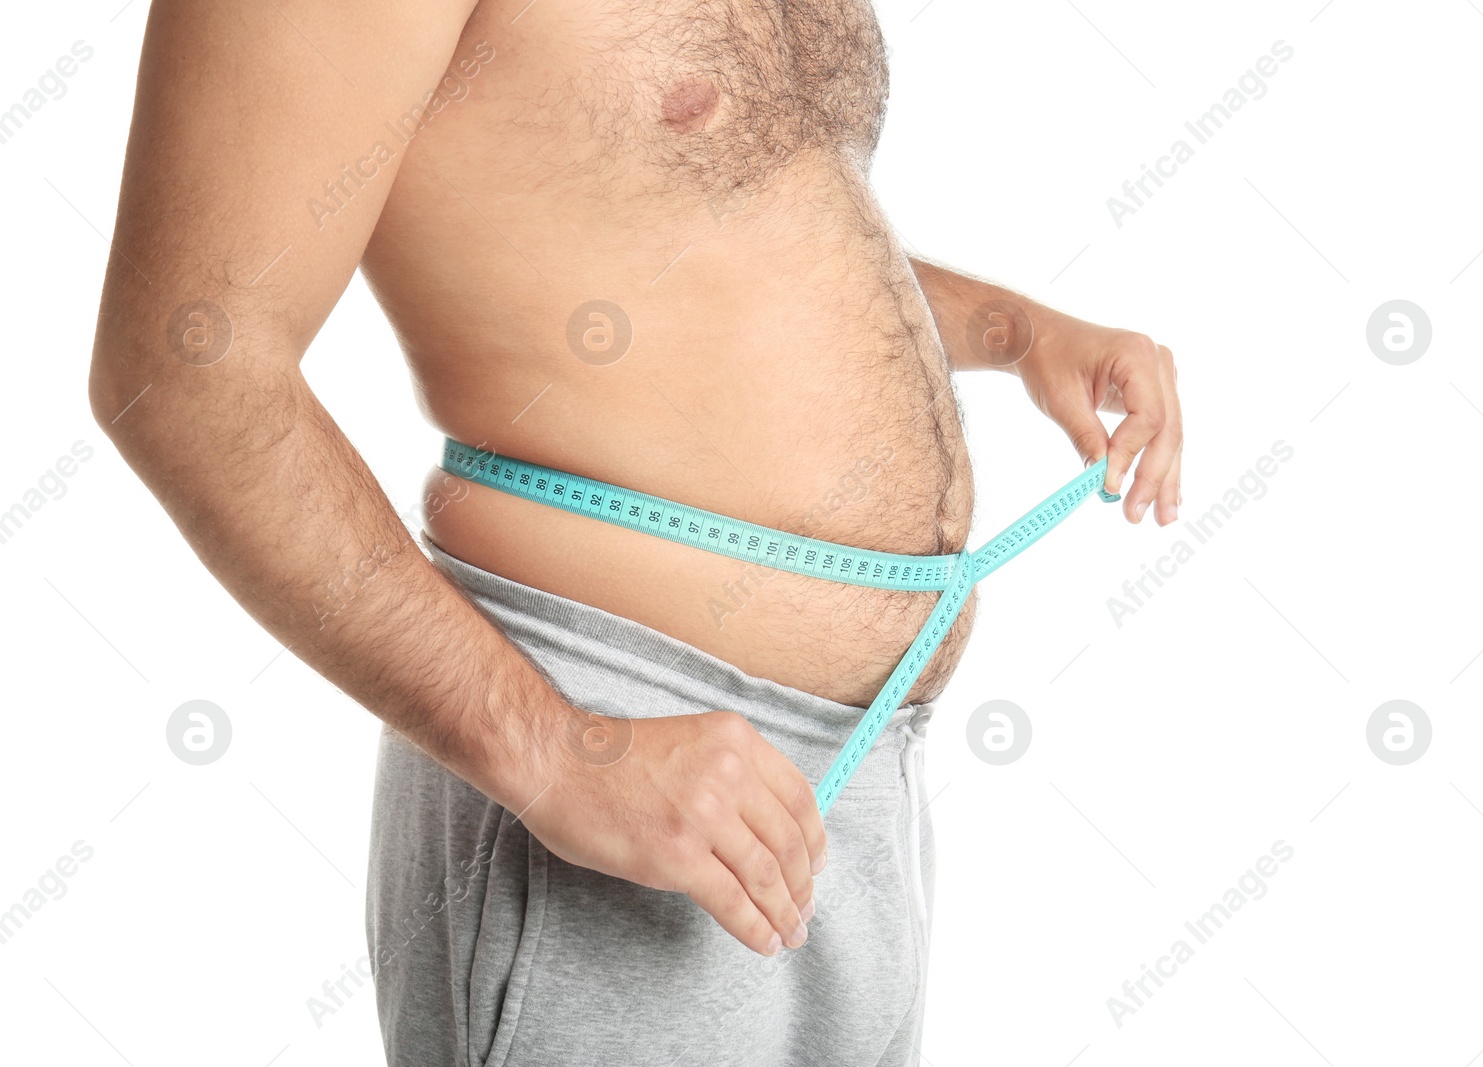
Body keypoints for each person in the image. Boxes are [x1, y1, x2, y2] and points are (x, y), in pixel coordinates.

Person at [87, 1, 1183, 1063]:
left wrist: (1019, 331)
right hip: (610, 757)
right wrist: (553, 753)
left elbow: (730, 228)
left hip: (855, 779)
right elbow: (182, 373)